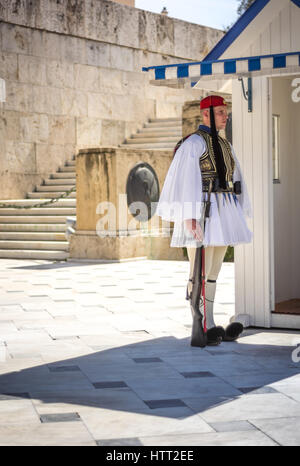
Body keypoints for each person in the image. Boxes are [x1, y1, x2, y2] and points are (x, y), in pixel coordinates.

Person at [156, 95, 252, 345]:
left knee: (213, 272)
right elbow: (185, 181)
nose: (225, 116)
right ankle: (201, 325)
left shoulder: (224, 144)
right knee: (198, 271)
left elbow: (236, 178)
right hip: (203, 213)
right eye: (220, 112)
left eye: (225, 112)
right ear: (206, 114)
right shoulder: (194, 143)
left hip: (223, 212)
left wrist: (240, 209)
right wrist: (189, 217)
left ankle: (210, 322)